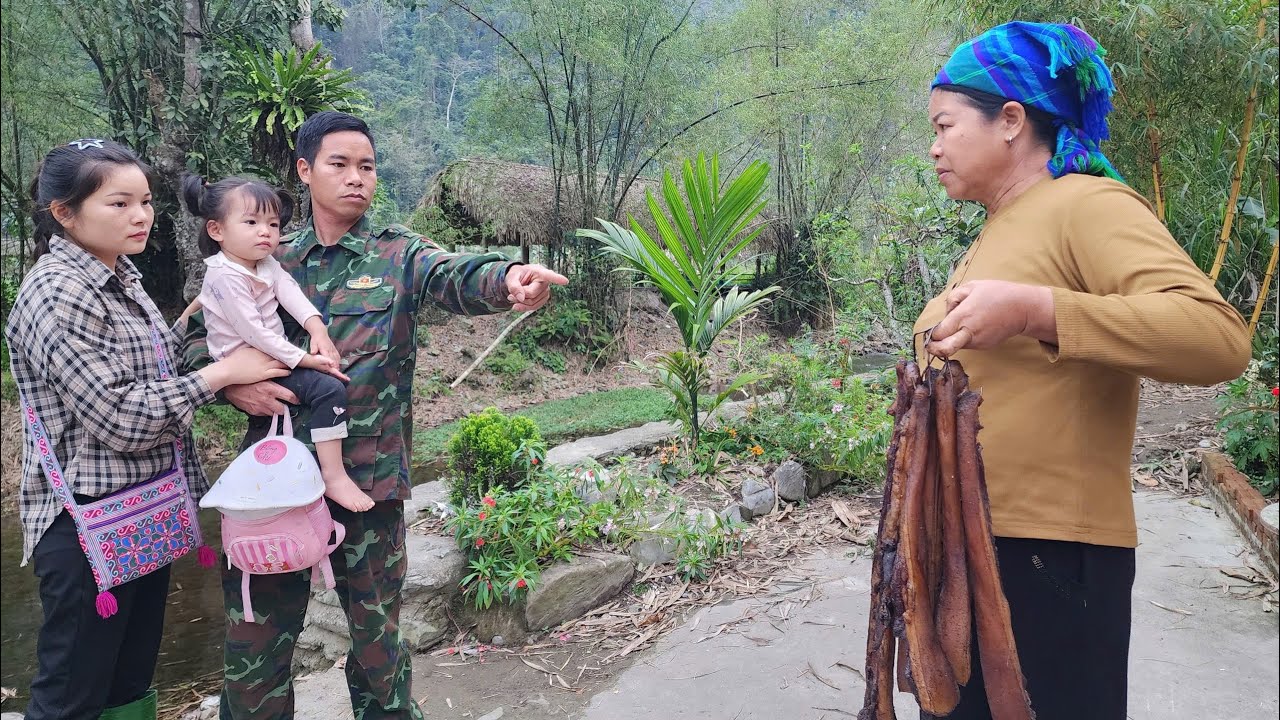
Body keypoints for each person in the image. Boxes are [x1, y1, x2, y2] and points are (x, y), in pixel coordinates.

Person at [915, 21, 1250, 720]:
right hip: (971, 551)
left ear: (1011, 120)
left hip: (1046, 561)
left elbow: (1218, 337)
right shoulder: (1002, 226)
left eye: (946, 126)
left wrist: (1040, 311)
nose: (935, 147)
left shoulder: (1086, 205)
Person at [183, 111, 568, 718]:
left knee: (378, 647)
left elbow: (457, 274)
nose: (356, 178)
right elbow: (198, 339)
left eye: (367, 166)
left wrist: (511, 279)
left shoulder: (398, 253)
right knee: (255, 647)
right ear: (305, 171)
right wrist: (233, 388)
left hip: (368, 484)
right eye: (340, 164)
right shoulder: (261, 252)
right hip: (275, 489)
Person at [6, 140, 288, 720]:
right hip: (84, 523)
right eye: (119, 203)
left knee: (130, 684)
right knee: (70, 696)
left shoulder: (122, 277)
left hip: (141, 512)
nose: (140, 216)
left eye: (145, 202)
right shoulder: (56, 293)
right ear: (64, 212)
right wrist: (220, 375)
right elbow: (120, 417)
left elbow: (160, 368)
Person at [181, 174, 373, 512]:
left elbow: (289, 291)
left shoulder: (263, 262)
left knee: (285, 414)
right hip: (250, 364)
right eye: (251, 222)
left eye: (272, 223)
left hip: (267, 358)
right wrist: (305, 359)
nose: (265, 231)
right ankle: (334, 475)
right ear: (217, 230)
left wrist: (318, 330)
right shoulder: (225, 277)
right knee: (329, 390)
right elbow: (254, 332)